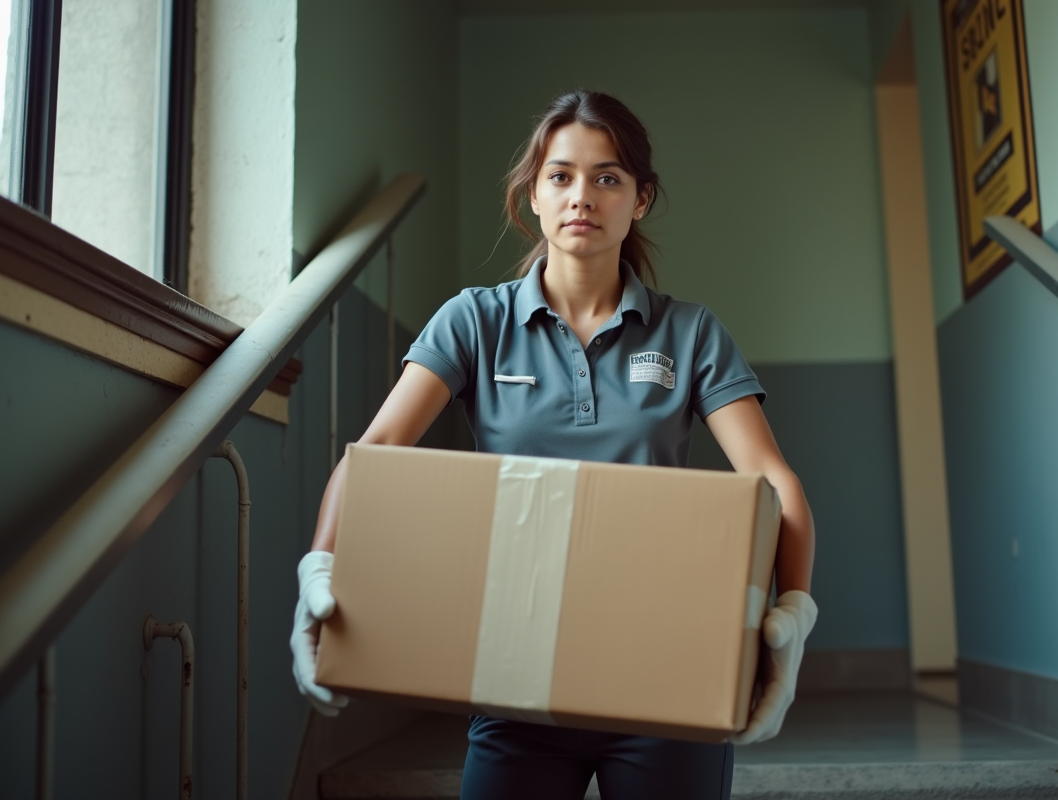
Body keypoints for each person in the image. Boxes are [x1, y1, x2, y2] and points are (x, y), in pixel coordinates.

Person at [289, 90, 818, 800]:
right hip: (517, 676)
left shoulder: (690, 334)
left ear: (640, 199)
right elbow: (377, 451)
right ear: (533, 195)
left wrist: (793, 612)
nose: (582, 197)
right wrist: (321, 569)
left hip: (667, 672)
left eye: (608, 178)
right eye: (560, 176)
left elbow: (774, 481)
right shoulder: (474, 322)